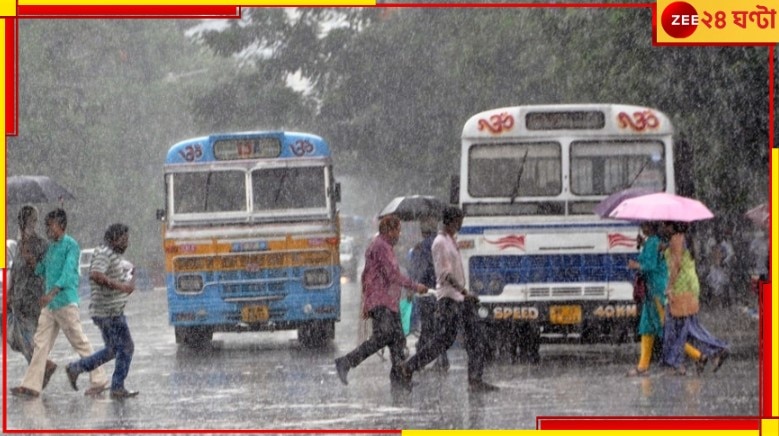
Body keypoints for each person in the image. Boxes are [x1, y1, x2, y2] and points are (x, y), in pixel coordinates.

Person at [398, 206, 498, 392]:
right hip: (449, 299)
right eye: (459, 221)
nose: (461, 225)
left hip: (460, 298)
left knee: (475, 338)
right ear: (451, 221)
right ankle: (408, 367)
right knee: (442, 342)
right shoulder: (440, 243)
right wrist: (464, 291)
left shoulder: (451, 240)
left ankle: (475, 379)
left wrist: (464, 293)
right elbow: (444, 274)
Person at [10, 208, 108, 398]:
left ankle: (99, 379)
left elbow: (67, 273)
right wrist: (30, 260)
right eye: (46, 226)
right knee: (40, 344)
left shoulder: (71, 246)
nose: (48, 230)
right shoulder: (51, 248)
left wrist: (52, 292)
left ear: (61, 226)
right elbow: (41, 269)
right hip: (50, 306)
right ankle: (31, 385)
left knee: (79, 341)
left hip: (64, 302)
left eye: (51, 226)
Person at [334, 215, 427, 386]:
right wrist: (414, 286)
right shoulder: (381, 247)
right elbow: (391, 274)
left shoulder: (383, 247)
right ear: (389, 231)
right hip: (381, 301)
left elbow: (369, 275)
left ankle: (400, 377)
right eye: (397, 231)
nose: (399, 235)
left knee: (398, 339)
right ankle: (346, 362)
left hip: (388, 301)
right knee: (383, 337)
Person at [65, 223, 139, 399]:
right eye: (123, 240)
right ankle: (117, 386)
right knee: (126, 347)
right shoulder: (105, 253)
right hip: (109, 313)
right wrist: (121, 286)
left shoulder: (111, 255)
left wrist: (128, 279)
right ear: (113, 239)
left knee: (114, 349)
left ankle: (77, 368)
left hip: (110, 312)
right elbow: (96, 274)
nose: (126, 244)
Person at [662, 221, 729, 376]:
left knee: (680, 329)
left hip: (681, 287)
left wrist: (669, 287)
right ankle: (712, 353)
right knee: (688, 327)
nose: (664, 227)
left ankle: (714, 350)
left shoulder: (676, 239)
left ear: (673, 226)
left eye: (666, 225)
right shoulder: (685, 239)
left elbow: (676, 265)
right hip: (690, 285)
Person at [6, 206, 57, 383]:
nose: (27, 226)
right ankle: (41, 371)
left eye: (31, 221)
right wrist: (9, 292)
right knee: (15, 338)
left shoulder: (41, 245)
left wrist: (32, 261)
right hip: (18, 299)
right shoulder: (20, 244)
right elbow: (14, 270)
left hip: (33, 298)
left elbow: (48, 270)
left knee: (27, 337)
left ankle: (39, 373)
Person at [626, 221, 667, 376]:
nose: (642, 228)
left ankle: (697, 355)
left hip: (656, 291)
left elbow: (650, 265)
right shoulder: (651, 242)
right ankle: (642, 365)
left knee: (665, 328)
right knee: (646, 328)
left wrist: (635, 265)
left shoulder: (654, 242)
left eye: (644, 225)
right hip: (650, 293)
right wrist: (643, 245)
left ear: (650, 227)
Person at [407, 216, 449, 371]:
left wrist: (413, 286)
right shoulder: (441, 244)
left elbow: (418, 269)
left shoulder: (420, 247)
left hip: (426, 292)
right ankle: (442, 359)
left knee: (426, 327)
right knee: (440, 327)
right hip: (442, 291)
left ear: (422, 232)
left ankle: (419, 360)